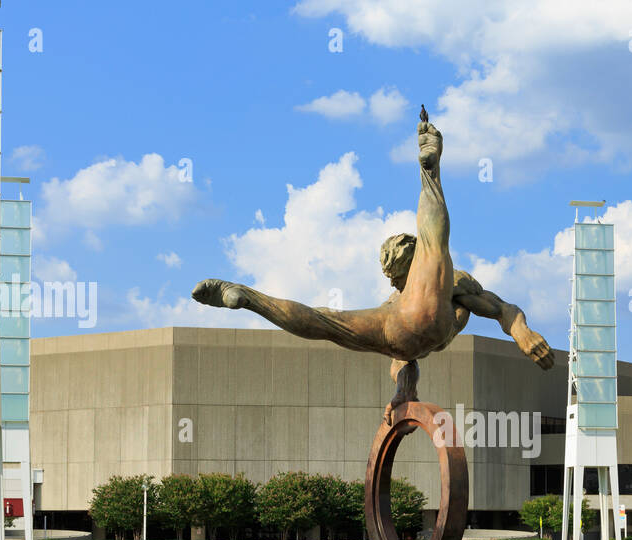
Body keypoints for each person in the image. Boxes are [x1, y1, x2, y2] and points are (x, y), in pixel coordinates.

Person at [192, 107, 553, 421]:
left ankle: (249, 298)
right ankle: (430, 173)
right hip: (423, 320)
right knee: (433, 239)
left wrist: (403, 393)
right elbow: (500, 308)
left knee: (324, 322)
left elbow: (404, 361)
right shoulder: (448, 284)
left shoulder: (392, 309)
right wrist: (521, 332)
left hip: (395, 332)